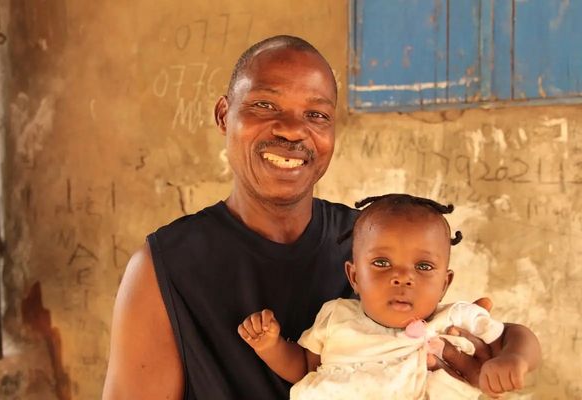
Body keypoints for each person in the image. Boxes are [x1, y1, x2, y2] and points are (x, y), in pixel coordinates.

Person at [102, 35, 541, 400]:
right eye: (264, 106)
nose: (292, 129)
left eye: (316, 114)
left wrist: (478, 368)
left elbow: (448, 358)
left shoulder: (378, 239)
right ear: (223, 115)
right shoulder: (165, 267)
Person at [238, 193, 531, 399]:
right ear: (354, 277)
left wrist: (514, 357)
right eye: (381, 263)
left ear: (444, 283)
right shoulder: (336, 317)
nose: (402, 277)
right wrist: (270, 346)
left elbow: (515, 334)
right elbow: (304, 366)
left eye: (424, 266)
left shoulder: (453, 319)